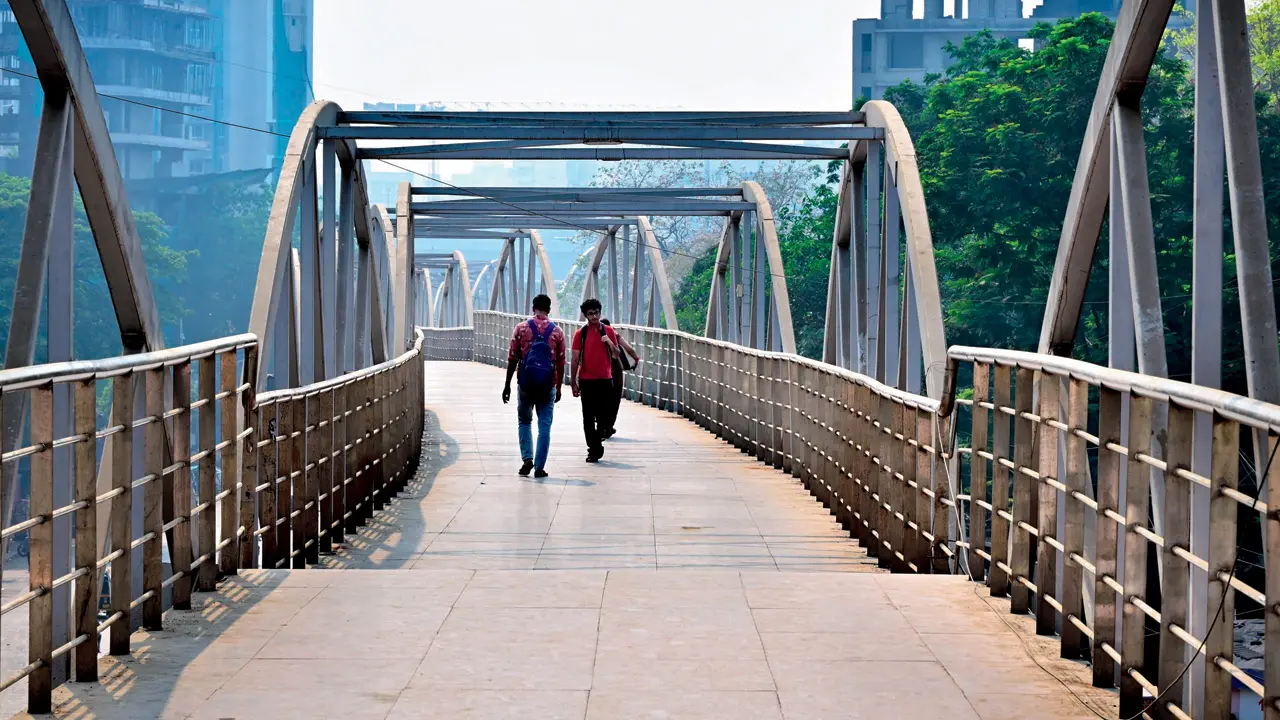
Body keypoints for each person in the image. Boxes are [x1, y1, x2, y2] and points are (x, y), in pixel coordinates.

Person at [502, 294, 565, 478]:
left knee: (524, 421)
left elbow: (512, 358)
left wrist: (507, 385)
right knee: (544, 425)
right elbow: (561, 363)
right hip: (548, 384)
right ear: (549, 309)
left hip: (525, 383)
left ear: (533, 308)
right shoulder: (557, 332)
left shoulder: (521, 328)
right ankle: (539, 467)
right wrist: (559, 386)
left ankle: (527, 459)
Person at [570, 298, 618, 462]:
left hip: (605, 379)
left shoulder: (609, 331)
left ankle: (599, 439)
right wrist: (573, 382)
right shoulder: (580, 334)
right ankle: (593, 449)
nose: (595, 316)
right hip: (587, 380)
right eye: (591, 313)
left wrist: (610, 342)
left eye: (597, 312)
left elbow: (616, 355)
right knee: (588, 417)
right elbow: (575, 359)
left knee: (604, 418)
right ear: (585, 315)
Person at [599, 319, 640, 440]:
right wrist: (636, 358)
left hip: (599, 372)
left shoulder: (593, 334)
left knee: (601, 399)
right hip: (615, 372)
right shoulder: (614, 334)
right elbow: (628, 348)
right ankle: (609, 426)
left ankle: (601, 425)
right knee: (614, 399)